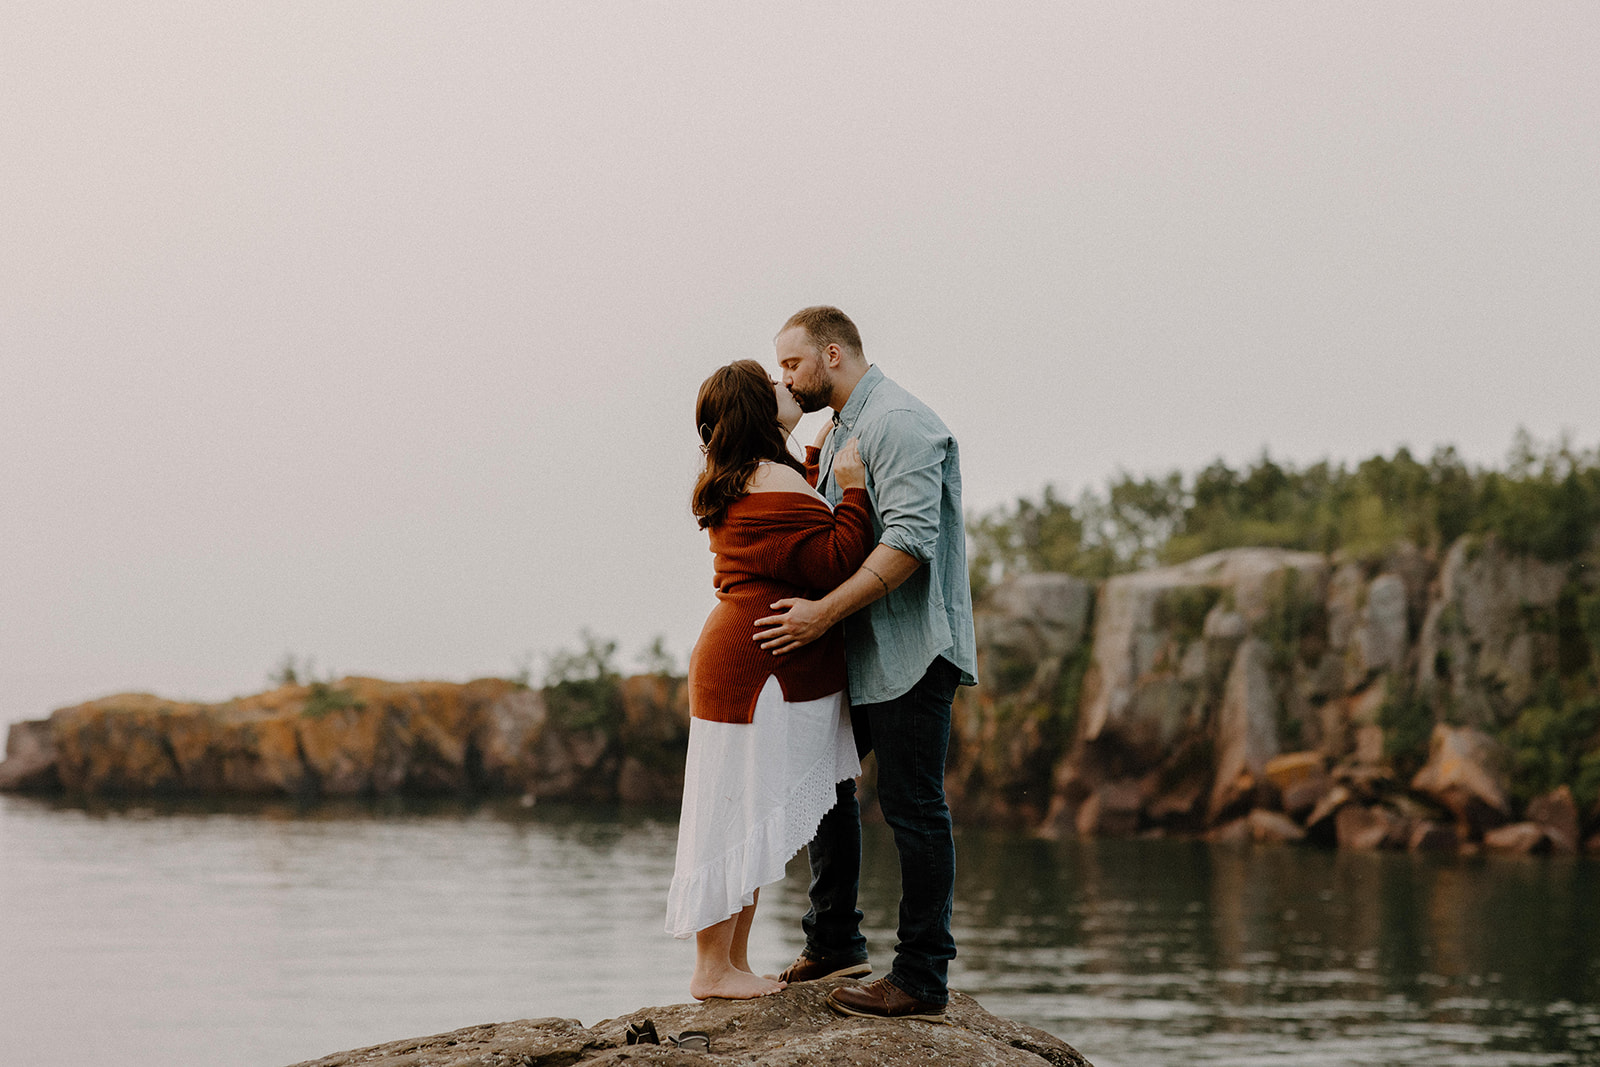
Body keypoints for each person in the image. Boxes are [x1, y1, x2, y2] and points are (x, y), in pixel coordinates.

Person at [754, 306, 977, 1023]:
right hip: (863, 653)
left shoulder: (900, 423)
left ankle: (921, 976)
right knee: (823, 784)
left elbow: (910, 543)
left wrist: (822, 613)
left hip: (913, 651)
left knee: (913, 808)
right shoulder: (841, 429)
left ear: (831, 353)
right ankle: (836, 941)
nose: (784, 377)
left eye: (791, 365)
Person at [665, 358, 874, 1001]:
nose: (789, 388)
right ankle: (712, 969)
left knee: (739, 806)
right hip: (755, 662)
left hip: (742, 651)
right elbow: (835, 559)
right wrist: (856, 488)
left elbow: (783, 541)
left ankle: (729, 964)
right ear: (760, 409)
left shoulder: (748, 476)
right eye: (775, 385)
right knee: (731, 809)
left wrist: (811, 471)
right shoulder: (773, 476)